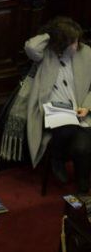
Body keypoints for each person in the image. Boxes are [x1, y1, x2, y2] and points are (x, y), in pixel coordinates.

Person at [23, 17, 91, 193]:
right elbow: (31, 47)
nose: (76, 46)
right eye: (71, 42)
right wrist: (50, 34)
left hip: (80, 110)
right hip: (52, 109)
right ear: (60, 43)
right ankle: (57, 158)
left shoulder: (87, 54)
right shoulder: (45, 54)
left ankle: (83, 190)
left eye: (77, 41)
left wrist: (87, 107)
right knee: (67, 128)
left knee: (81, 148)